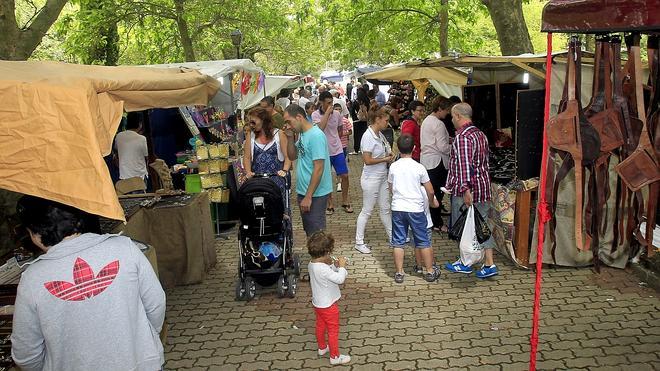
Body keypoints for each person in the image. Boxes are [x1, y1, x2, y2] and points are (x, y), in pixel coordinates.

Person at [11, 195, 166, 371]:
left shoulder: (32, 279)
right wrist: (142, 342)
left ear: (35, 233)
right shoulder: (125, 248)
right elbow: (156, 305)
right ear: (77, 219)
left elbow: (26, 354)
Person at [444, 103, 498, 279]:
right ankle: (489, 263)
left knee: (464, 226)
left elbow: (465, 166)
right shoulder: (480, 134)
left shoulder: (463, 137)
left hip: (468, 191)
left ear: (459, 116)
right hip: (482, 187)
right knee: (482, 226)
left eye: (453, 116)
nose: (451, 119)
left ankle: (465, 262)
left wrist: (466, 189)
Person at [388, 134, 440, 283]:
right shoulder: (419, 167)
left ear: (398, 148)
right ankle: (429, 271)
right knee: (423, 240)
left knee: (398, 241)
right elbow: (430, 190)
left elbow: (390, 187)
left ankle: (399, 273)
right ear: (414, 148)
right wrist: (430, 202)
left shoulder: (394, 166)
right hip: (416, 208)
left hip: (398, 207)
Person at [283, 104, 332, 236]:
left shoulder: (315, 135)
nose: (287, 126)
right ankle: (316, 256)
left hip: (315, 194)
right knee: (310, 231)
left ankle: (320, 256)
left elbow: (319, 167)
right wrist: (289, 138)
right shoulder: (303, 134)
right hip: (304, 191)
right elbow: (293, 156)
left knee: (316, 234)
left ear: (299, 117)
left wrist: (308, 196)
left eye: (289, 122)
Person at [307, 231, 350, 366]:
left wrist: (334, 266)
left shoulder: (312, 264)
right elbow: (340, 279)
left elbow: (328, 273)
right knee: (333, 330)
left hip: (318, 304)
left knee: (320, 325)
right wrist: (342, 266)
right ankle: (335, 356)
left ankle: (322, 348)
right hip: (328, 305)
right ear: (326, 252)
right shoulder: (323, 268)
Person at [354, 106, 393, 254]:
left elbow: (386, 149)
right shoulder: (368, 136)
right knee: (367, 210)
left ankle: (392, 236)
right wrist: (385, 159)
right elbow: (367, 160)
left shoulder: (379, 134)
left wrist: (389, 155)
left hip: (382, 176)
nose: (388, 123)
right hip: (371, 178)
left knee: (385, 208)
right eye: (386, 120)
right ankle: (359, 241)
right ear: (378, 120)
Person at [243, 107, 292, 209]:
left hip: (276, 179)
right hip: (258, 181)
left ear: (263, 120)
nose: (251, 125)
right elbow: (247, 157)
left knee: (279, 210)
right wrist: (248, 172)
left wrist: (284, 170)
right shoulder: (251, 135)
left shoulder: (279, 134)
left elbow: (288, 156)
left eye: (253, 122)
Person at [312, 91, 353, 214]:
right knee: (326, 177)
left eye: (332, 103)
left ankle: (345, 201)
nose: (331, 105)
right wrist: (327, 114)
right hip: (323, 151)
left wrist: (336, 140)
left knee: (344, 175)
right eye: (328, 103)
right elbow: (320, 129)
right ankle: (330, 203)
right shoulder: (315, 115)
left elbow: (340, 130)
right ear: (321, 102)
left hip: (337, 149)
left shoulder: (337, 114)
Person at [420, 96, 453, 233]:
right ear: (440, 108)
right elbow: (443, 147)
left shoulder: (427, 120)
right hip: (437, 162)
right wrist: (455, 147)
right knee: (437, 194)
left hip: (427, 161)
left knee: (430, 192)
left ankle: (432, 220)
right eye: (446, 110)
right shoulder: (439, 124)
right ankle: (437, 223)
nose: (447, 113)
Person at [114, 112, 148, 181]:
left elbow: (116, 151)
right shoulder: (142, 138)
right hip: (140, 176)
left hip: (125, 177)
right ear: (140, 124)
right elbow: (146, 156)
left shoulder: (119, 136)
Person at [352, 87, 370, 154]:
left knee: (357, 135)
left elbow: (353, 111)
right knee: (364, 135)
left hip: (357, 121)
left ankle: (356, 149)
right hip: (365, 121)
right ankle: (365, 149)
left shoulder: (356, 102)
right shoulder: (367, 101)